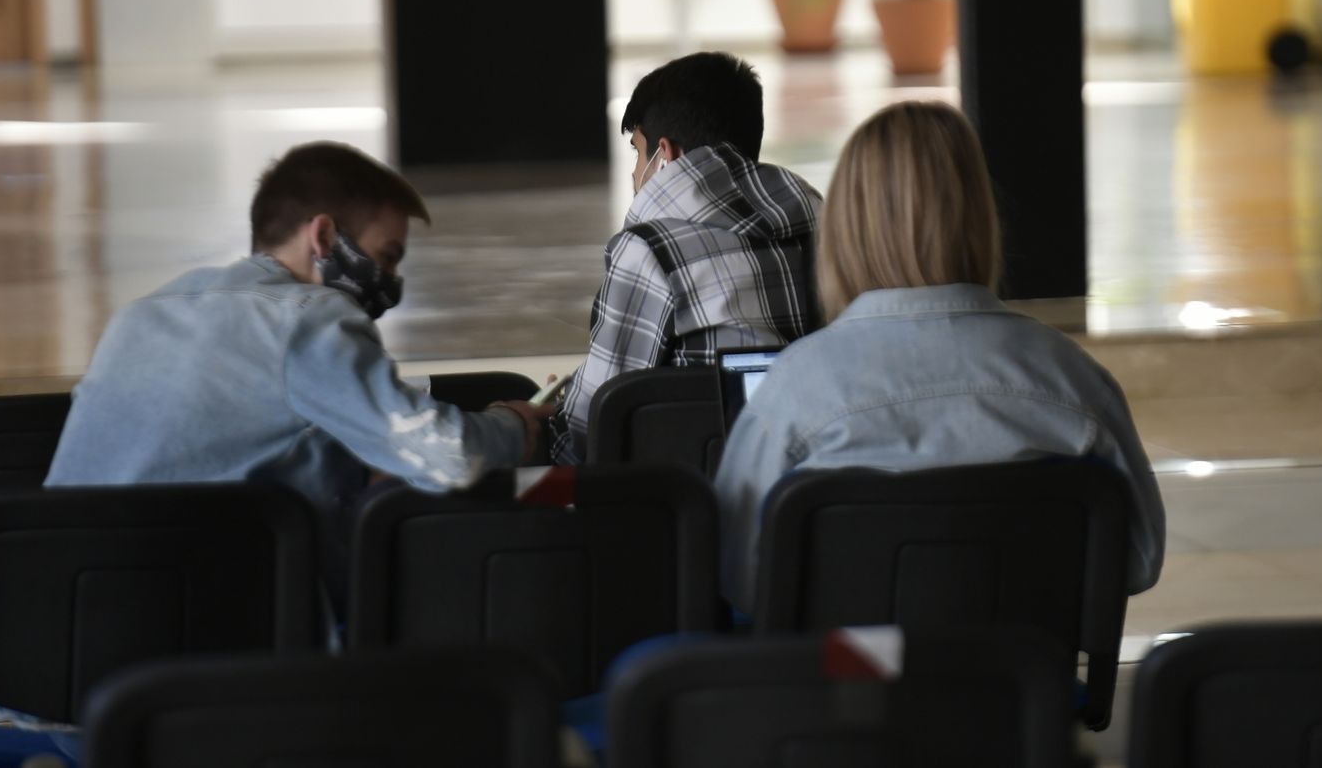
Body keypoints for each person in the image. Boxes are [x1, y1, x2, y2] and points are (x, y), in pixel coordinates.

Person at [712, 101, 1165, 612]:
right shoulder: (1072, 378)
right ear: (979, 215)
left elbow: (740, 576)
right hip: (1022, 684)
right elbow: (1137, 560)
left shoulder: (797, 387)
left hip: (851, 685)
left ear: (846, 226)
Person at [47, 141, 549, 532]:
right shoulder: (309, 315)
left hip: (67, 587)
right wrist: (509, 425)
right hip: (207, 607)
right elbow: (447, 456)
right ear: (324, 237)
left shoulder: (139, 315)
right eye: (388, 256)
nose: (391, 283)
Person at [546, 52, 823, 464]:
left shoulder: (651, 250)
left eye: (638, 154)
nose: (637, 173)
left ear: (666, 154)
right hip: (812, 480)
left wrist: (545, 423)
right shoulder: (821, 223)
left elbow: (591, 431)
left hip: (700, 496)